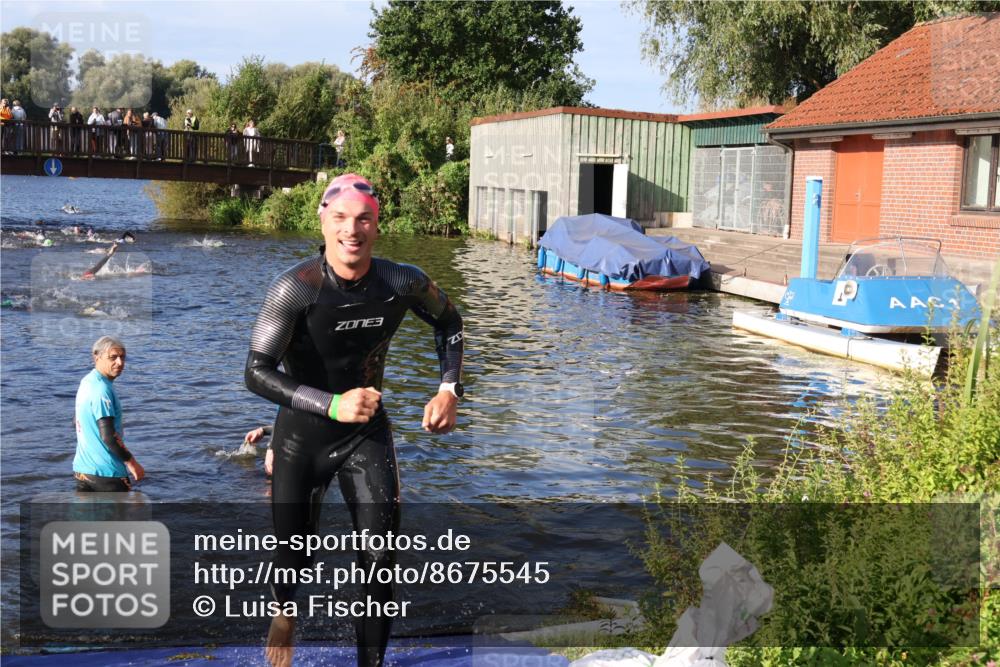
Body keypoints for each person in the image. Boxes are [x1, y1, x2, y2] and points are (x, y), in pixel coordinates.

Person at [244, 173, 464, 667]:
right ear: (322, 221)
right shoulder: (295, 290)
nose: (352, 229)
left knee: (380, 560)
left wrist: (449, 388)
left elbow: (450, 321)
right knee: (293, 559)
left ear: (377, 225)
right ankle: (284, 611)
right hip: (301, 439)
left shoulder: (401, 281)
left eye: (363, 218)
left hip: (366, 436)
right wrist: (331, 403)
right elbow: (255, 373)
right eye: (340, 218)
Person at [73, 336, 145, 491]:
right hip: (108, 474)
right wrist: (132, 463)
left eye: (122, 357)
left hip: (83, 470)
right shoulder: (102, 390)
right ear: (96, 357)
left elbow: (77, 421)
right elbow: (108, 436)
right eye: (113, 357)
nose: (119, 363)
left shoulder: (87, 382)